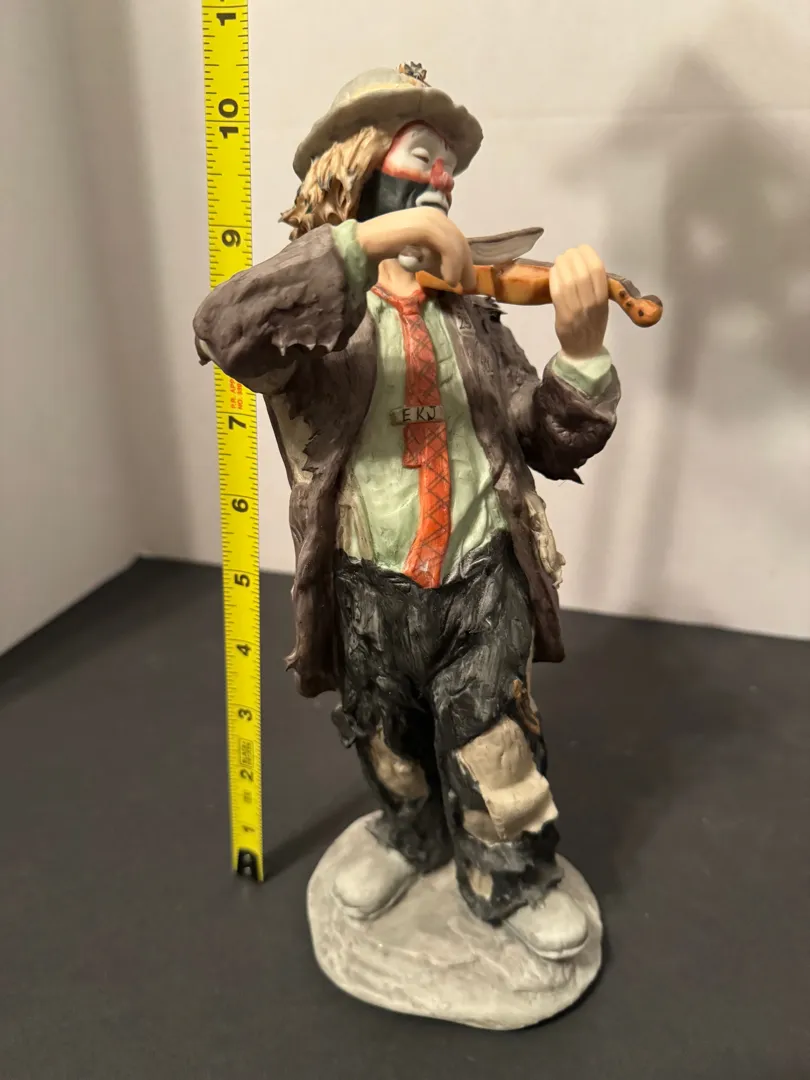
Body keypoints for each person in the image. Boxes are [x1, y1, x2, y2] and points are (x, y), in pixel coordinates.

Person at [193, 63, 620, 962]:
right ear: (358, 167)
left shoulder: (472, 318)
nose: (444, 181)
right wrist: (378, 239)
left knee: (492, 741)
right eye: (424, 159)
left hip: (478, 576)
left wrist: (580, 357)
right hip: (367, 585)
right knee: (386, 735)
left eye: (449, 170)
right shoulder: (317, 325)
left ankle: (507, 875)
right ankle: (409, 834)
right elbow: (225, 328)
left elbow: (541, 439)